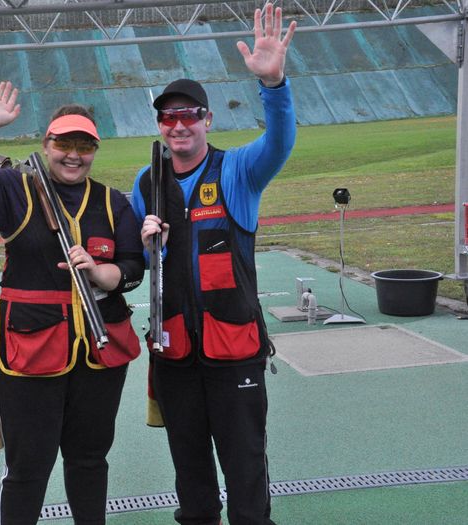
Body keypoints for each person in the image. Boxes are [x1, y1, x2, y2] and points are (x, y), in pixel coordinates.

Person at [0, 81, 145, 525]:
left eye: (84, 145)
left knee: (90, 460)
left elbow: (131, 268)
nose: (73, 155)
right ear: (45, 144)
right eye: (63, 143)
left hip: (99, 352)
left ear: (95, 149)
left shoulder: (113, 203)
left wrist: (100, 272)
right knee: (29, 468)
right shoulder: (15, 190)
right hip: (29, 352)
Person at [130, 4, 297, 525]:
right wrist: (143, 244)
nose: (178, 125)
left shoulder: (238, 170)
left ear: (208, 119)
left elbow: (279, 142)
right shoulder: (145, 182)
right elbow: (140, 261)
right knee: (190, 472)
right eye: (168, 117)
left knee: (245, 469)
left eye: (188, 115)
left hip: (234, 350)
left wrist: (274, 84)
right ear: (159, 124)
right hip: (175, 354)